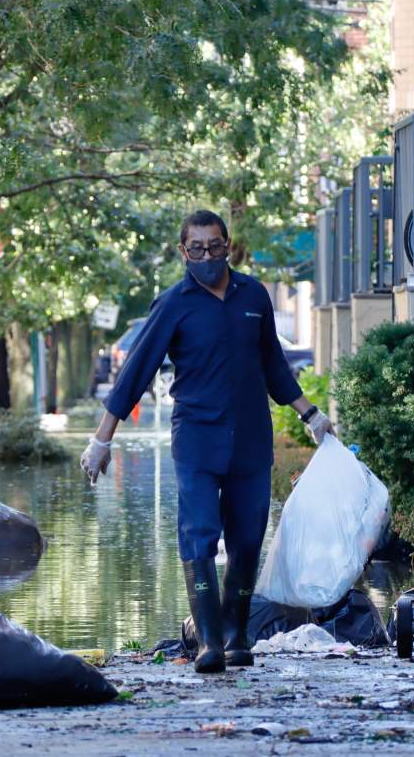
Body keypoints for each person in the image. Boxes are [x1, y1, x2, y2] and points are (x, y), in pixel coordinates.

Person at [80, 210, 333, 674]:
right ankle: (208, 642)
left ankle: (238, 636)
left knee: (249, 536)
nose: (207, 256)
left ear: (228, 245)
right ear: (183, 252)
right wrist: (102, 439)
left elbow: (274, 365)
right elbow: (136, 372)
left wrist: (310, 414)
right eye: (196, 248)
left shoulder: (253, 295)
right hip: (197, 438)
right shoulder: (174, 303)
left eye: (214, 247)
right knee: (199, 535)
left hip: (252, 438)